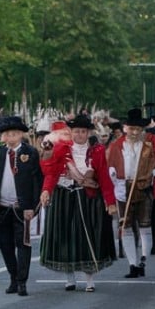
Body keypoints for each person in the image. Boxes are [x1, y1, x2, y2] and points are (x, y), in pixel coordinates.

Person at [39, 114, 117, 292]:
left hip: (87, 197)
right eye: (76, 131)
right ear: (71, 132)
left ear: (88, 132)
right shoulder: (61, 149)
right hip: (64, 196)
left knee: (87, 237)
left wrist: (110, 201)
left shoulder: (96, 151)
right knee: (65, 237)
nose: (79, 135)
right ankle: (70, 279)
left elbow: (104, 177)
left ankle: (89, 280)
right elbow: (51, 173)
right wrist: (46, 190)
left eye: (83, 131)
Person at [0, 115, 42, 296]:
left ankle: (22, 281)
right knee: (5, 245)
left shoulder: (30, 153)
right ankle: (13, 277)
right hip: (2, 206)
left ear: (21, 135)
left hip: (22, 208)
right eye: (8, 134)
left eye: (15, 134)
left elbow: (37, 181)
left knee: (23, 244)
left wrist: (32, 206)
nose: (11, 137)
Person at [106, 109, 155, 278]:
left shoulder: (149, 145)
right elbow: (110, 167)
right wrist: (113, 175)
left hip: (143, 186)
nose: (135, 132)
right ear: (125, 128)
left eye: (138, 129)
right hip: (123, 188)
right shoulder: (116, 146)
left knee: (145, 225)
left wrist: (153, 174)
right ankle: (132, 264)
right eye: (132, 129)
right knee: (127, 227)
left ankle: (143, 259)